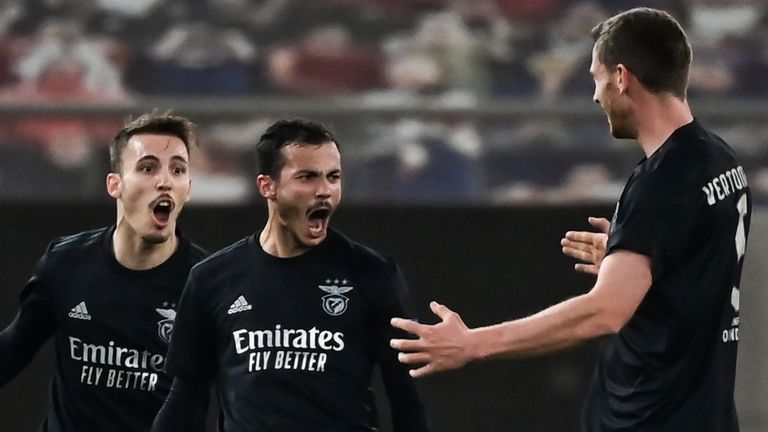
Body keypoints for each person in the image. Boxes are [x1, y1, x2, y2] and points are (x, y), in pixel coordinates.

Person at [390, 7, 751, 432]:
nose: (596, 96)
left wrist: (472, 344)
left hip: (653, 417)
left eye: (596, 78)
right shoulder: (718, 158)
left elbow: (604, 312)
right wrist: (635, 262)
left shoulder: (662, 181)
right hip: (704, 412)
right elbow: (699, 271)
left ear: (621, 77)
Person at [153, 119, 430, 432]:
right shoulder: (212, 278)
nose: (324, 190)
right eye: (307, 177)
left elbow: (406, 399)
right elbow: (185, 397)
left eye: (333, 177)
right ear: (267, 186)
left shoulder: (373, 274)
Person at [0, 112, 209, 431]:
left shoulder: (206, 282)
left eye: (177, 170)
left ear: (188, 188)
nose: (165, 180)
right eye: (148, 167)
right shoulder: (65, 261)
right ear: (115, 184)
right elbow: (13, 350)